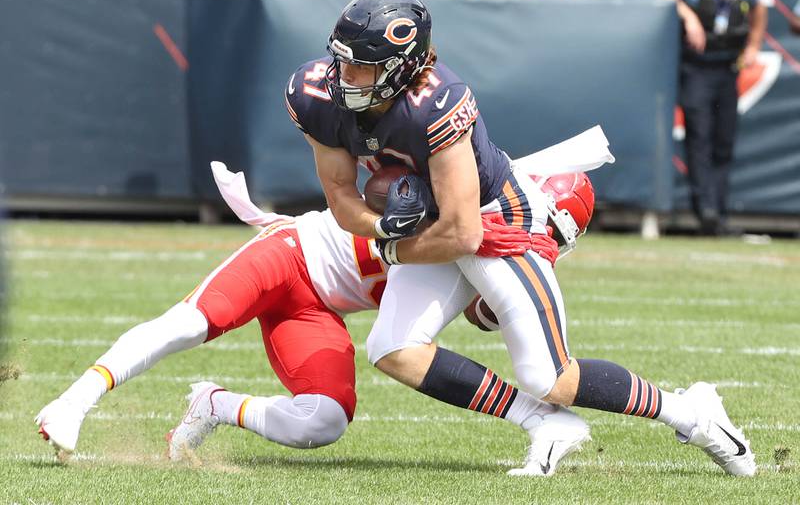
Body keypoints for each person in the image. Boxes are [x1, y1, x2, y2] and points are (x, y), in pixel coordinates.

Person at [290, 0, 756, 476]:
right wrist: (383, 224)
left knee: (549, 376)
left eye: (363, 66)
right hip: (436, 225)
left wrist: (391, 250)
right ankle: (546, 425)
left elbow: (464, 235)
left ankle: (694, 414)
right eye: (341, 61)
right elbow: (342, 196)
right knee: (393, 349)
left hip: (497, 218)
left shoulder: (437, 104)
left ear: (404, 67)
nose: (346, 77)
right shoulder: (316, 94)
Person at [34, 164, 587, 475]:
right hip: (293, 254)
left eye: (558, 242)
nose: (548, 245)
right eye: (551, 232)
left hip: (318, 309)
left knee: (323, 422)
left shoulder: (500, 244)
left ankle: (215, 404)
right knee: (191, 323)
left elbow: (477, 310)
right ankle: (73, 401)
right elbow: (389, 183)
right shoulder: (464, 198)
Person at [651, 0, 767, 235]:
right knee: (700, 137)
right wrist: (688, 15)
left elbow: (759, 6)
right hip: (698, 68)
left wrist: (754, 45)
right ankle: (706, 211)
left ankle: (720, 211)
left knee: (723, 141)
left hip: (728, 68)